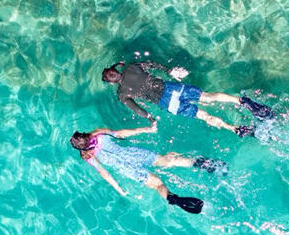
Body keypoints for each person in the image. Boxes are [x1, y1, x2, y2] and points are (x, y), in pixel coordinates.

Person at [69, 123, 227, 214]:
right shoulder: (98, 134)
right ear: (84, 135)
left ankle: (174, 199)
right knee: (168, 161)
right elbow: (122, 133)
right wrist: (145, 129)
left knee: (158, 184)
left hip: (126, 169)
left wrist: (119, 189)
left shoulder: (87, 156)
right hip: (133, 154)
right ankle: (205, 165)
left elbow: (104, 173)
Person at [102, 61, 273, 137]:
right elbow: (153, 64)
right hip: (170, 88)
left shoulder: (122, 94)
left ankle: (234, 129)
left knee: (203, 116)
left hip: (167, 103)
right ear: (116, 70)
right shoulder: (131, 67)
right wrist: (169, 70)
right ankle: (241, 101)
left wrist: (151, 119)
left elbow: (139, 110)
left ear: (111, 82)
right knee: (208, 97)